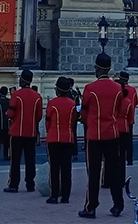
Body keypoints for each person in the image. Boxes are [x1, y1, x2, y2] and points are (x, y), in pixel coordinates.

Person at [78, 52, 125, 219]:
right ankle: (118, 204)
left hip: (95, 135)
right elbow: (118, 111)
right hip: (112, 134)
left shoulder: (90, 89)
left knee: (94, 173)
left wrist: (89, 122)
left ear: (97, 68)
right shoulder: (118, 88)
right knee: (114, 172)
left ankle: (91, 206)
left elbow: (84, 114)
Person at [5, 69, 43, 193]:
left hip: (17, 132)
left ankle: (14, 184)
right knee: (30, 159)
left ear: (22, 79)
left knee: (15, 160)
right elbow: (39, 116)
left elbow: (11, 113)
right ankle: (30, 184)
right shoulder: (37, 96)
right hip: (30, 132)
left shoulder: (16, 95)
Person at [46, 76, 79, 205]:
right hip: (68, 138)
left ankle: (54, 196)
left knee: (54, 168)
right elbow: (73, 122)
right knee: (66, 168)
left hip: (54, 137)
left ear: (57, 90)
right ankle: (65, 196)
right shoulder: (72, 104)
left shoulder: (52, 103)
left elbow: (48, 122)